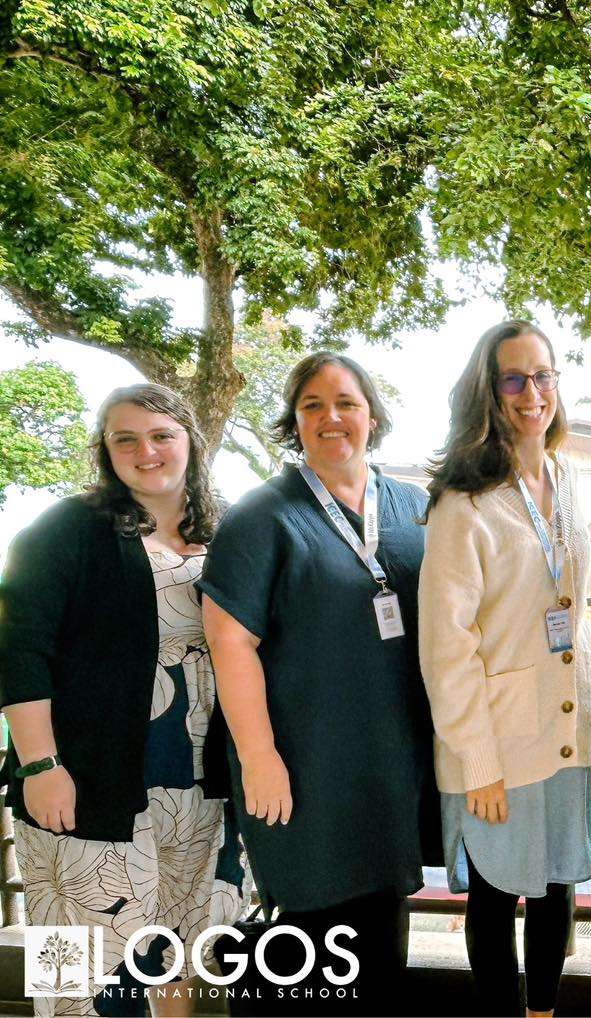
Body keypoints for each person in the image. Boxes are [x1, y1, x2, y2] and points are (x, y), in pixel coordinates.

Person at [199, 353, 434, 1014]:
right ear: (294, 421)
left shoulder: (414, 508)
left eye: (347, 402)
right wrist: (260, 759)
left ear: (373, 415)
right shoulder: (262, 519)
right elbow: (229, 641)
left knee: (380, 945)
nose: (332, 417)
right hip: (299, 770)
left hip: (390, 770)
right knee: (299, 948)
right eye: (312, 405)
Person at [0, 384, 243, 1018]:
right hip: (90, 775)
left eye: (163, 434)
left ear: (191, 441)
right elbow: (19, 649)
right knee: (77, 955)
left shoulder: (227, 530)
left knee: (174, 945)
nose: (147, 450)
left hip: (196, 779)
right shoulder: (68, 529)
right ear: (105, 450)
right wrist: (39, 766)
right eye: (125, 438)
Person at [418, 320, 591, 1018]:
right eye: (515, 378)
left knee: (558, 887)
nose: (534, 392)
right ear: (489, 392)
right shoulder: (462, 501)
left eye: (545, 375)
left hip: (568, 725)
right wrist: (477, 761)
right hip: (498, 740)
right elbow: (447, 645)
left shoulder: (566, 476)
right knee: (497, 896)